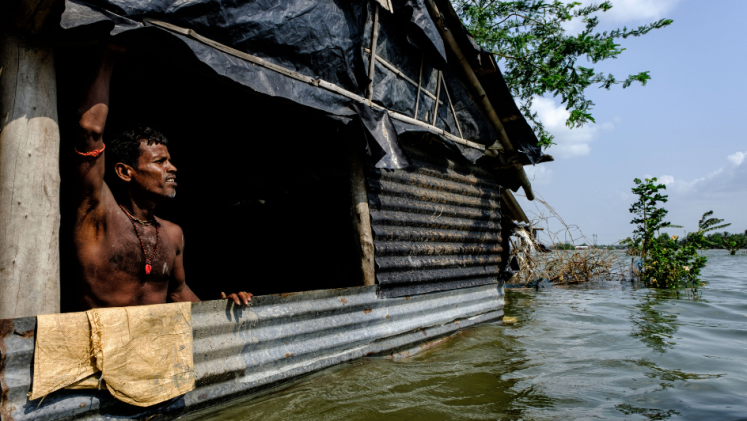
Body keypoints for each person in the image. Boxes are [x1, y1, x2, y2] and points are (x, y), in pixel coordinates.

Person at [72, 41, 252, 309]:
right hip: (102, 346)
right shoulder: (98, 212)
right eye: (160, 161)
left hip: (157, 348)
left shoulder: (173, 233)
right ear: (124, 172)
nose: (173, 168)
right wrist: (109, 54)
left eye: (170, 161)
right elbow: (89, 130)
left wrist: (222, 311)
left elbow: (178, 293)